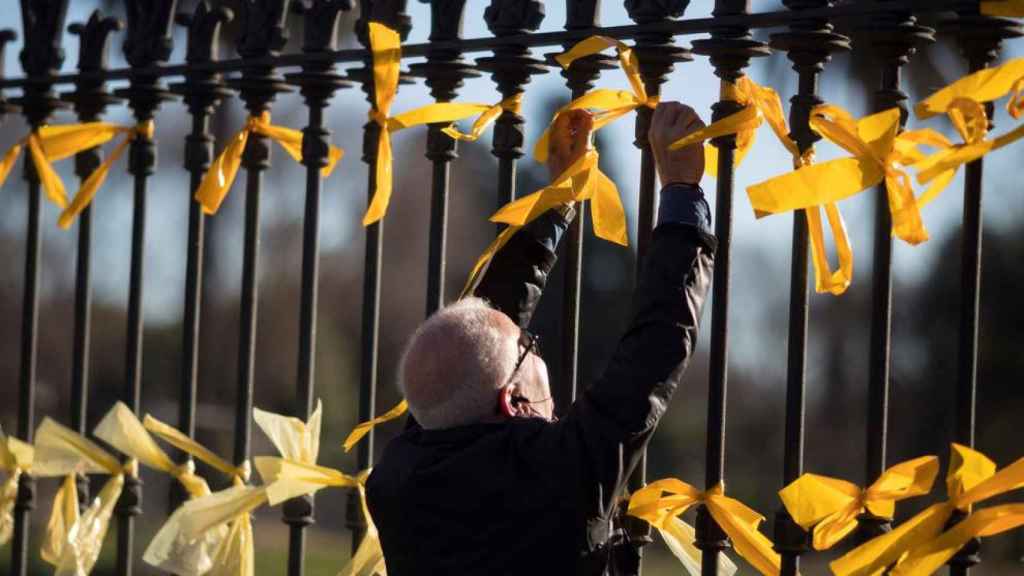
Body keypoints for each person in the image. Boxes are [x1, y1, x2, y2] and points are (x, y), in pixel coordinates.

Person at [366, 101, 715, 576]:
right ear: (512, 399)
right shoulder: (556, 474)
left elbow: (477, 345)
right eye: (528, 347)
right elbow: (654, 350)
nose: (533, 344)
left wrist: (558, 199)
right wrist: (681, 190)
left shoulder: (394, 482)